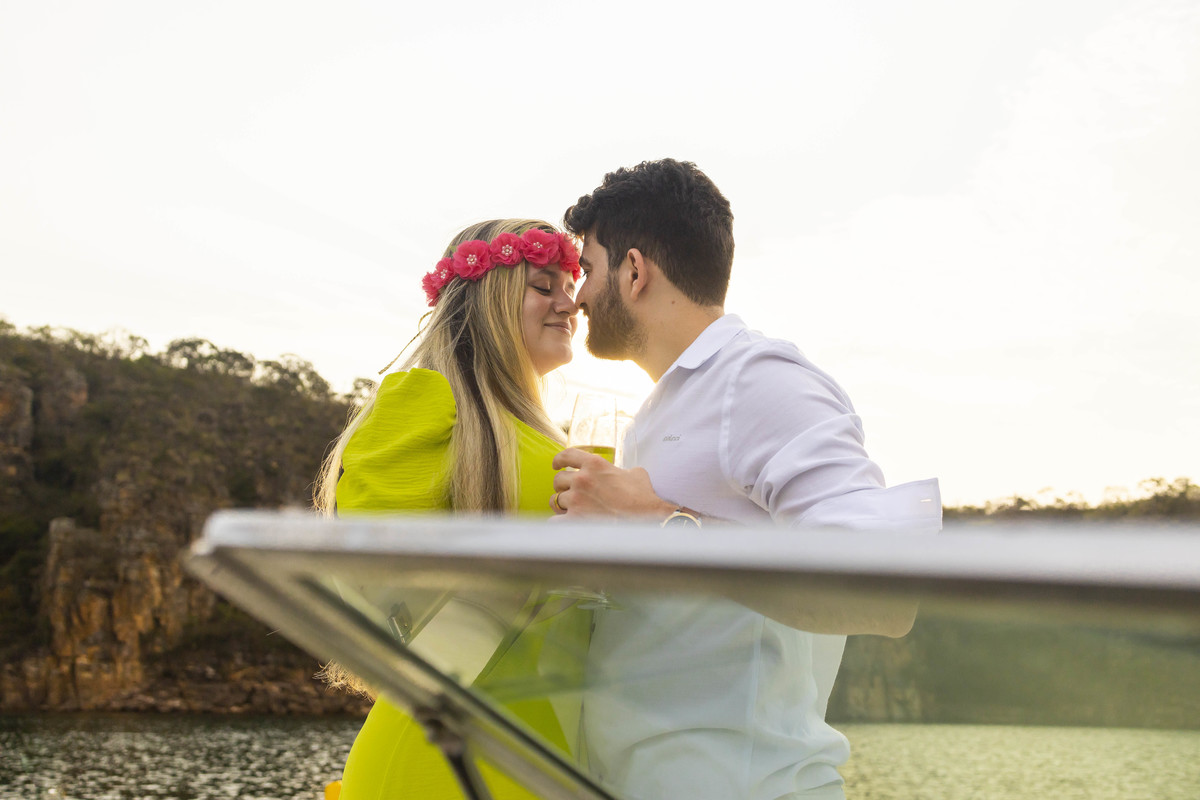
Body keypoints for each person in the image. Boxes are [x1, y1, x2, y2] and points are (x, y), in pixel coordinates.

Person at [549, 160, 942, 799]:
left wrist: (662, 525)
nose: (578, 297)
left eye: (587, 270)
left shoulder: (759, 379)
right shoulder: (657, 412)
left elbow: (885, 597)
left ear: (634, 271)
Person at [314, 218, 588, 800]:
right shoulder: (428, 399)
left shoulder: (543, 436)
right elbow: (372, 584)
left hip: (542, 753)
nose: (570, 304)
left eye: (571, 287)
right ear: (488, 300)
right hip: (437, 756)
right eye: (544, 286)